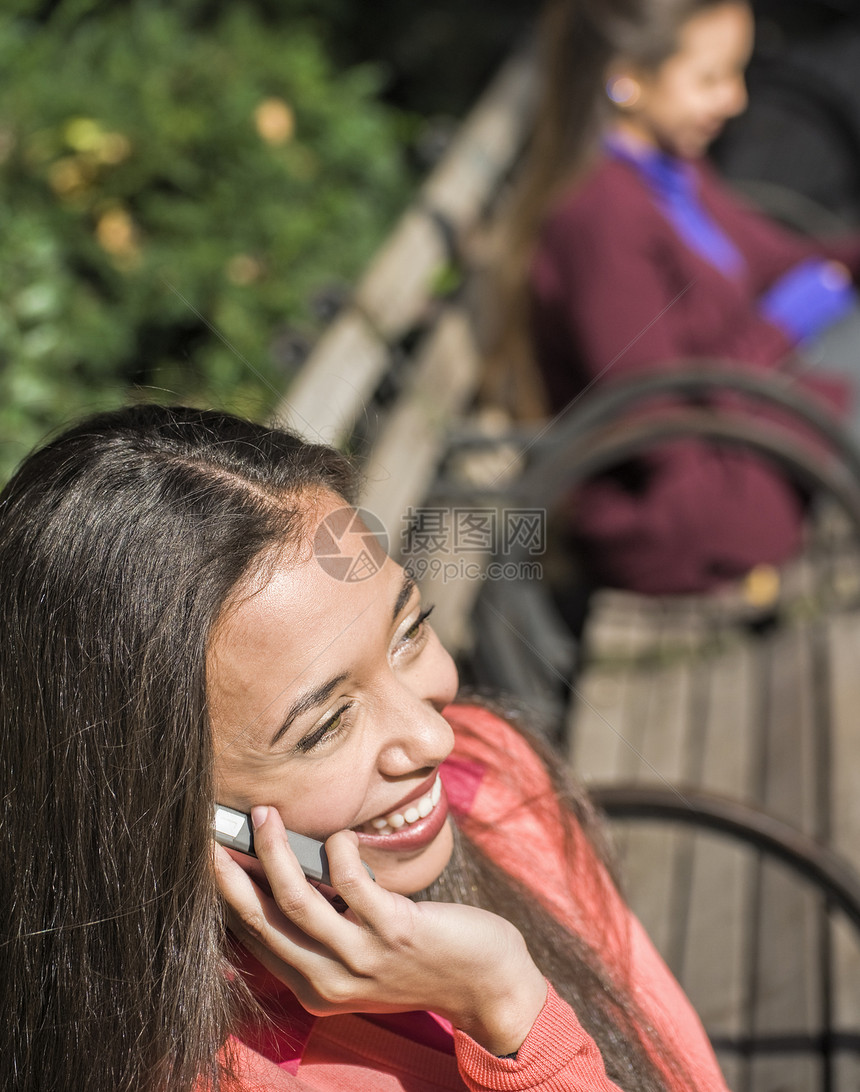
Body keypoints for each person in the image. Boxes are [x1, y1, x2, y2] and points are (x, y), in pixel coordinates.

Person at [0, 404, 732, 1092]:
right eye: (325, 726)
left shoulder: (494, 776)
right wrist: (503, 1003)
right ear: (163, 812)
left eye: (410, 632)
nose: (435, 735)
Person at [488, 0, 860, 595]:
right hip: (691, 521)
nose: (734, 100)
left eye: (736, 73)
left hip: (750, 445)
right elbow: (656, 420)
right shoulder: (601, 217)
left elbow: (774, 257)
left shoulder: (668, 173)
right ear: (627, 79)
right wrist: (779, 327)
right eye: (710, 79)